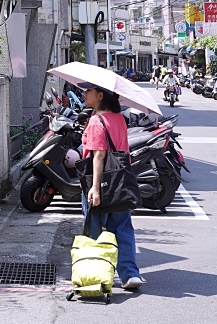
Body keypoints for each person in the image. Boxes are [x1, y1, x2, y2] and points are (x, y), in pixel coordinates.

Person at [80, 85, 143, 291]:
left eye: (88, 91)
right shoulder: (119, 119)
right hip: (120, 180)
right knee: (123, 228)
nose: (84, 93)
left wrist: (95, 188)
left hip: (99, 181)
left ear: (100, 96)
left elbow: (98, 156)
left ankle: (97, 276)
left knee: (95, 231)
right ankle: (130, 274)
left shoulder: (97, 121)